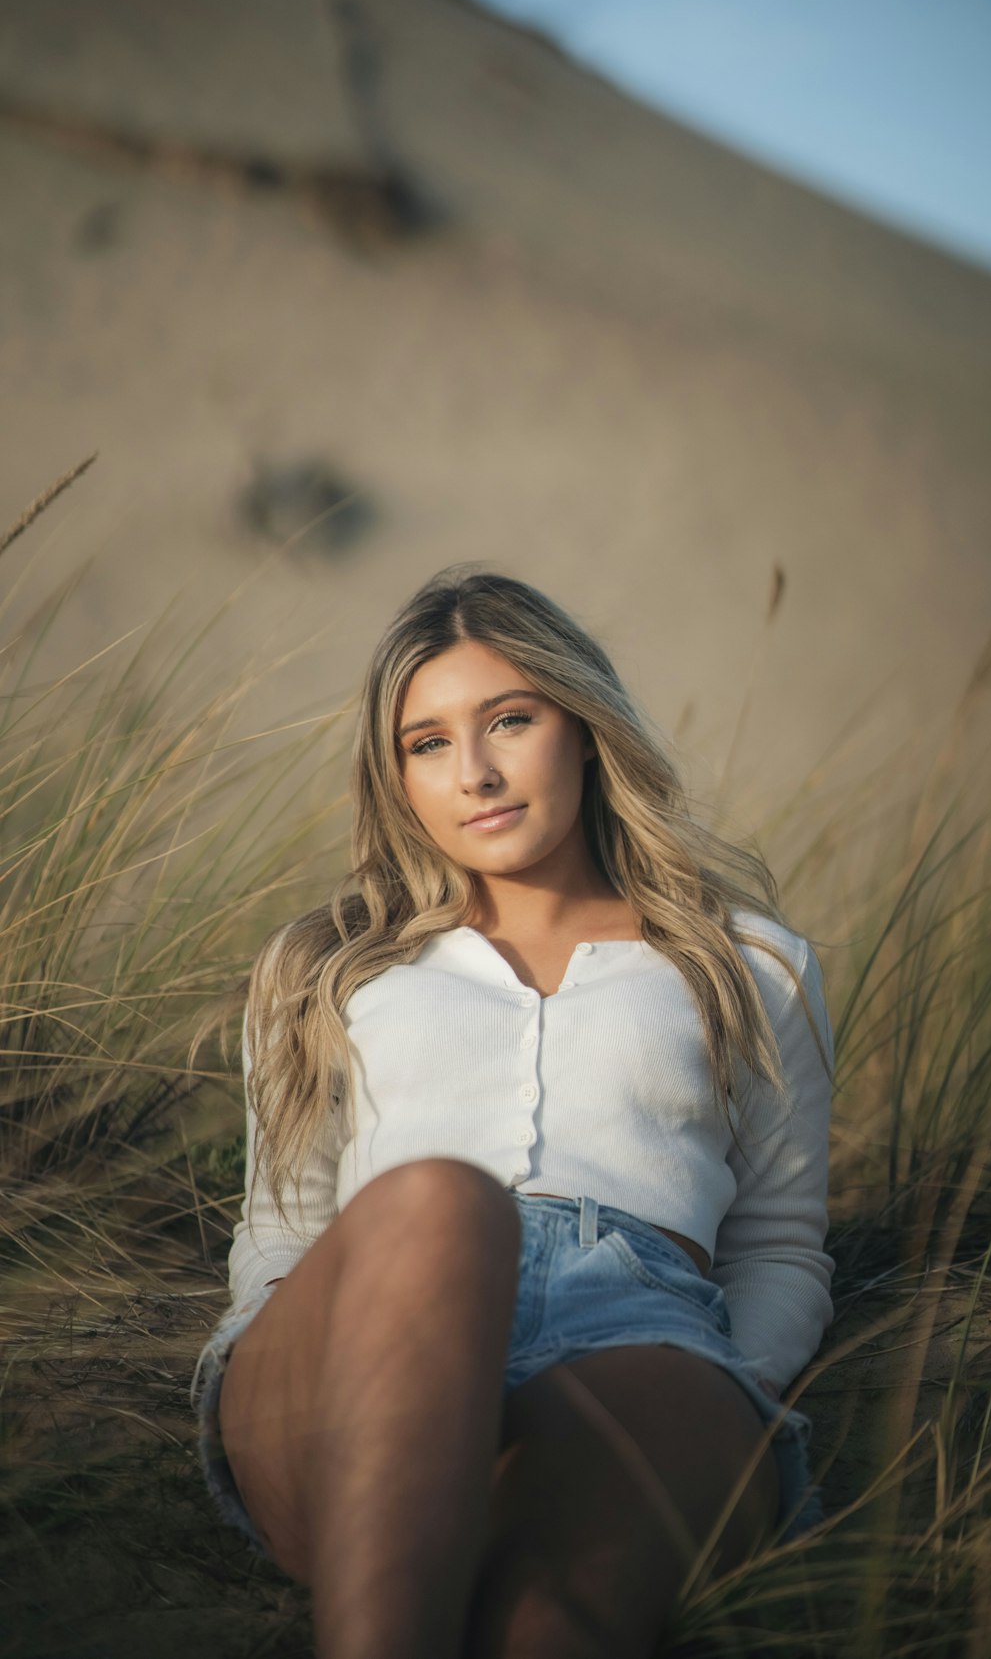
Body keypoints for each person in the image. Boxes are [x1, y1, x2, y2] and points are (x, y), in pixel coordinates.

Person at [189, 565, 836, 1659]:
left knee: (550, 1629)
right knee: (445, 1206)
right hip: (368, 1317)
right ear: (394, 776)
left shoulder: (749, 962)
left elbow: (778, 1240)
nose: (475, 772)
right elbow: (285, 1225)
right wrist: (336, 1353)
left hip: (638, 1323)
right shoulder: (327, 962)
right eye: (427, 742)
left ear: (582, 727)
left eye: (510, 720)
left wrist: (735, 1381)